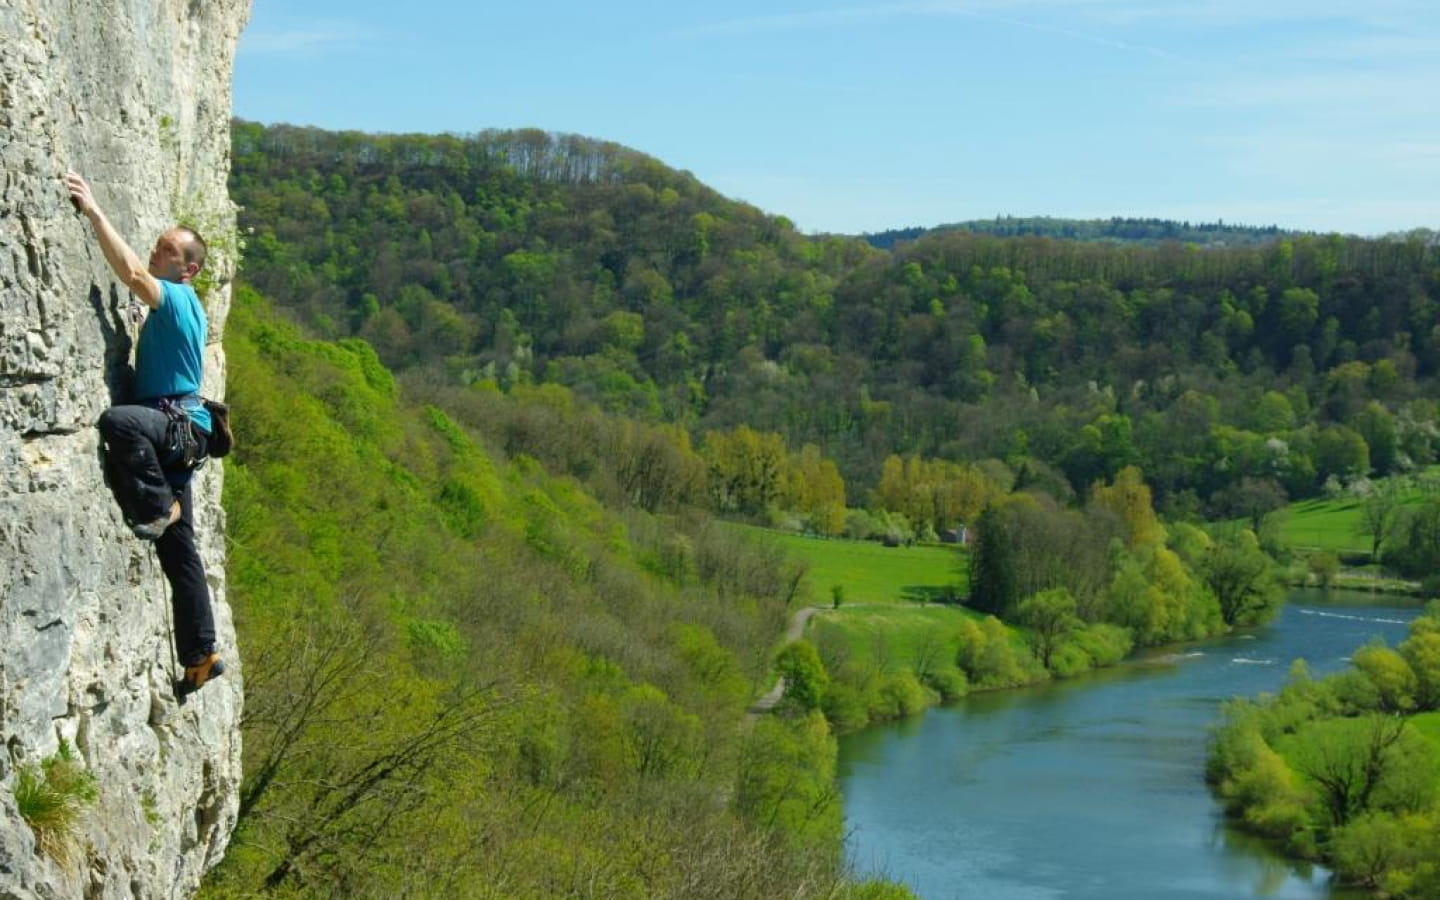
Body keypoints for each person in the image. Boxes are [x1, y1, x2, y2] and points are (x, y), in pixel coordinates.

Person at [64, 171, 224, 693]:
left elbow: (133, 273)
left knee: (119, 421)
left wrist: (94, 211)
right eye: (156, 247)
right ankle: (200, 656)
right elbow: (145, 296)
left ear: (189, 269)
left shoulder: (177, 297)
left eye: (166, 252)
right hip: (182, 433)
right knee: (180, 553)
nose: (155, 254)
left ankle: (158, 506)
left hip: (172, 428)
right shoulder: (176, 306)